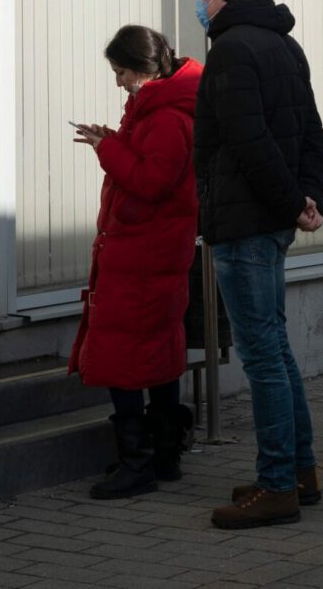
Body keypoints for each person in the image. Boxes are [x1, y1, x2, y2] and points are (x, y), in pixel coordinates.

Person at [192, 0, 323, 531]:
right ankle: (299, 472)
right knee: (276, 349)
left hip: (245, 224)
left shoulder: (231, 51)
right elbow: (313, 136)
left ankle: (278, 486)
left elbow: (250, 144)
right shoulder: (284, 44)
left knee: (263, 358)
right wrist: (306, 198)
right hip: (270, 220)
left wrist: (287, 201)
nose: (199, 6)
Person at [72, 25, 203, 499]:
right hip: (151, 251)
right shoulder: (161, 108)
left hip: (143, 254)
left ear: (145, 69)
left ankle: (138, 464)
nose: (118, 82)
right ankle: (163, 456)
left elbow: (151, 183)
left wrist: (105, 148)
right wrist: (113, 140)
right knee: (157, 355)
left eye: (121, 72)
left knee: (122, 356)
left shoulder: (166, 117)